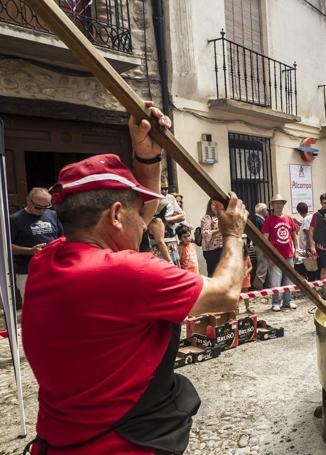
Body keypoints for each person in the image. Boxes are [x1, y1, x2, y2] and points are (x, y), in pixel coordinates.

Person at [21, 105, 248, 454]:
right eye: (137, 211)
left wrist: (146, 156)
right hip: (121, 444)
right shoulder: (125, 272)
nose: (145, 222)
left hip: (61, 440)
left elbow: (131, 220)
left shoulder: (47, 259)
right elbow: (227, 293)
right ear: (115, 214)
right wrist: (233, 234)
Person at [10, 187, 63, 307]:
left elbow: (62, 237)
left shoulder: (53, 215)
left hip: (53, 267)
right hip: (27, 270)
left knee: (56, 303)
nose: (42, 211)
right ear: (28, 201)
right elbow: (6, 247)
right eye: (38, 207)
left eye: (46, 207)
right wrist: (30, 251)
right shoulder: (14, 220)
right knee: (33, 306)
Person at [262, 194, 298, 311]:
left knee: (289, 279)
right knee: (275, 281)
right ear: (272, 205)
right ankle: (275, 302)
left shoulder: (289, 219)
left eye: (281, 203)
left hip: (288, 254)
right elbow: (265, 239)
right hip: (275, 256)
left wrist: (296, 250)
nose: (279, 205)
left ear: (283, 204)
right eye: (276, 203)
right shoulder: (268, 220)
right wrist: (268, 255)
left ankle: (288, 301)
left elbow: (294, 236)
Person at [308, 194, 326, 298]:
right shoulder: (317, 215)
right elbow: (311, 230)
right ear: (321, 203)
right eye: (324, 203)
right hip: (321, 246)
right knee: (324, 268)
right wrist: (312, 246)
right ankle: (325, 292)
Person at [200, 199, 223, 277]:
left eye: (218, 204)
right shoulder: (207, 218)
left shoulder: (222, 216)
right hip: (211, 249)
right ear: (210, 206)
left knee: (222, 272)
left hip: (222, 247)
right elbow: (206, 233)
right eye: (213, 205)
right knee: (213, 273)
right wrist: (219, 230)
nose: (216, 206)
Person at [250, 203, 269, 289]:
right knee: (262, 266)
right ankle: (258, 286)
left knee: (262, 266)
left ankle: (261, 285)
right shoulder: (257, 219)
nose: (267, 212)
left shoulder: (258, 219)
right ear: (262, 210)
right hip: (259, 246)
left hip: (258, 246)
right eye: (266, 210)